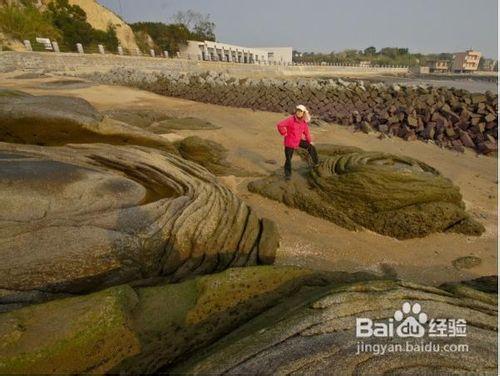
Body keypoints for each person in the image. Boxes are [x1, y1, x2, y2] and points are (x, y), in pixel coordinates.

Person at [276, 104, 319, 180]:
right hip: (289, 143)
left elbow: (307, 133)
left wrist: (310, 141)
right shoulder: (290, 119)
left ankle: (316, 163)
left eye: (300, 111)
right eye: (298, 111)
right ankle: (287, 175)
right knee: (288, 159)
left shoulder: (303, 123)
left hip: (298, 141)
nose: (298, 112)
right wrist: (284, 133)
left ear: (303, 113)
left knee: (311, 147)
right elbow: (280, 125)